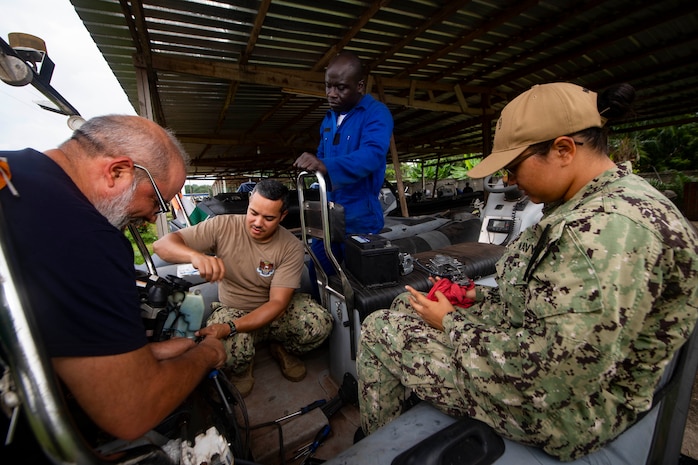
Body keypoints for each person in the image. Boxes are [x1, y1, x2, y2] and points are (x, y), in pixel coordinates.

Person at [356, 82, 698, 460]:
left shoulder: (604, 232)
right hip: (547, 360)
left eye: (514, 166)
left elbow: (549, 378)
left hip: (564, 413)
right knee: (408, 305)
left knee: (379, 330)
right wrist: (476, 296)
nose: (508, 181)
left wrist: (452, 323)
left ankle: (380, 449)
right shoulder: (590, 203)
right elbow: (549, 300)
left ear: (563, 149)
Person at [0, 115, 227, 457]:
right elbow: (133, 409)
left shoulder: (15, 169)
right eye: (156, 200)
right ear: (117, 172)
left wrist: (143, 358)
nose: (153, 218)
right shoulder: (84, 236)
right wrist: (208, 354)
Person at [153, 179, 333, 397]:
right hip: (234, 309)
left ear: (283, 216)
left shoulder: (291, 247)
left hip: (274, 313)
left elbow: (278, 303)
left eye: (268, 218)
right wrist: (195, 256)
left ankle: (280, 347)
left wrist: (229, 328)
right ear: (248, 202)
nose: (257, 223)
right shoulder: (222, 226)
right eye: (253, 212)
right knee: (217, 351)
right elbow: (161, 246)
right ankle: (243, 364)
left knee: (319, 324)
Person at [293, 50, 394, 274]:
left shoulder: (376, 114)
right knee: (318, 270)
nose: (331, 94)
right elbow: (321, 155)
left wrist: (327, 166)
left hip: (360, 217)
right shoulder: (328, 120)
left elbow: (372, 154)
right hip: (328, 216)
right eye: (328, 86)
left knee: (361, 278)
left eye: (340, 87)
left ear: (359, 85)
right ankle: (323, 310)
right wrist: (315, 163)